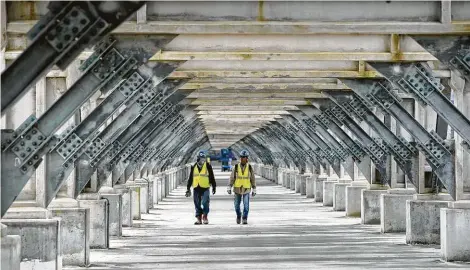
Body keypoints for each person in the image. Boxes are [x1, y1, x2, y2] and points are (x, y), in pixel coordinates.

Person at [185, 151, 216, 225]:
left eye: (203, 159)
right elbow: (190, 178)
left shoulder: (208, 166)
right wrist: (188, 188)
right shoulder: (194, 166)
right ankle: (199, 218)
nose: (202, 160)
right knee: (197, 203)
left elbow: (211, 176)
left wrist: (214, 187)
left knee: (205, 202)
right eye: (201, 159)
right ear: (198, 159)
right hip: (196, 187)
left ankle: (205, 216)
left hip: (205, 187)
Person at [227, 149, 256, 225]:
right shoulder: (236, 167)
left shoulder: (249, 167)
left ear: (247, 158)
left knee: (246, 205)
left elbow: (252, 178)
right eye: (242, 157)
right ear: (240, 158)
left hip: (246, 188)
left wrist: (254, 188)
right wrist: (229, 186)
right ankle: (239, 216)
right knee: (236, 205)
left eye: (245, 157)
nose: (243, 158)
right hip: (237, 189)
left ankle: (244, 218)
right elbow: (232, 178)